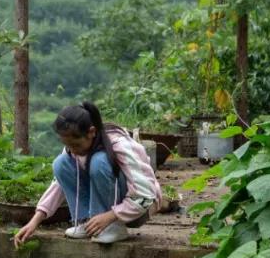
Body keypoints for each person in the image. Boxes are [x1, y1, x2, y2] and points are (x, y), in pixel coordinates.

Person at [14, 101, 162, 246]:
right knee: (61, 163)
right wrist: (34, 222)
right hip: (111, 209)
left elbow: (145, 195)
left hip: (135, 211)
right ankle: (88, 223)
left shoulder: (120, 145)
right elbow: (59, 184)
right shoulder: (73, 150)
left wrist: (110, 216)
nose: (72, 150)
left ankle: (113, 227)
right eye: (68, 145)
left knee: (99, 161)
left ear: (91, 132)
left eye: (76, 145)